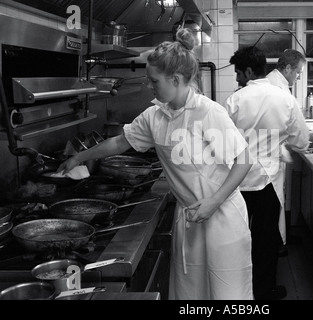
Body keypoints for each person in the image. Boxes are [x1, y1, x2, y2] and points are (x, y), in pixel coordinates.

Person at [57, 28, 254, 300]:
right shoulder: (155, 116)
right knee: (190, 293)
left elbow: (244, 159)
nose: (150, 86)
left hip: (222, 217)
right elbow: (120, 142)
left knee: (227, 295)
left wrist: (213, 202)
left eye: (154, 81)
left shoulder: (208, 112)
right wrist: (79, 157)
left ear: (175, 79)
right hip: (190, 219)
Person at [225, 46, 310, 300]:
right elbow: (301, 140)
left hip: (236, 183)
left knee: (237, 240)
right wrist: (282, 144)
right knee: (266, 241)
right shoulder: (284, 98)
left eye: (239, 73)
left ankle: (237, 292)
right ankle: (264, 292)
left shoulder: (234, 100)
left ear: (250, 71)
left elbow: (222, 142)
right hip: (268, 182)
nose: (238, 78)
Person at [266, 49, 307, 253]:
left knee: (271, 213)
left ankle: (277, 243)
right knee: (272, 211)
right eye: (298, 72)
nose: (298, 77)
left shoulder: (273, 83)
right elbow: (299, 137)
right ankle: (276, 247)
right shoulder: (280, 90)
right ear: (288, 68)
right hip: (267, 164)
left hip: (262, 161)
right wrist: (305, 141)